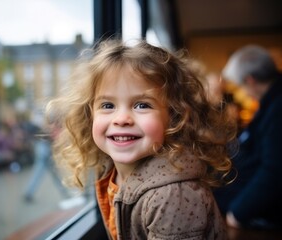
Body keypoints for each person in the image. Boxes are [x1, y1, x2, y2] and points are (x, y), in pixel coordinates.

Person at [47, 39, 236, 239]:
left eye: (142, 105)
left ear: (174, 117)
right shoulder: (110, 170)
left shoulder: (172, 196)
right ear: (89, 115)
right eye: (108, 106)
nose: (121, 119)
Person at [213, 44, 282, 230]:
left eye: (240, 86)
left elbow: (275, 171)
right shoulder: (271, 102)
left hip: (262, 214)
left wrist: (238, 212)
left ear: (250, 81)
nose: (243, 92)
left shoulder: (277, 108)